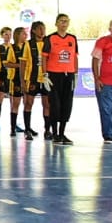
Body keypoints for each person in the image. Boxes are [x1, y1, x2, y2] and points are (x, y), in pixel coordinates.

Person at [42, 13, 78, 145]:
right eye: (62, 21)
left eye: (66, 21)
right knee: (55, 105)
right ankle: (55, 133)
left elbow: (74, 56)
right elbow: (44, 57)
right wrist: (45, 74)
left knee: (66, 104)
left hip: (68, 74)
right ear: (56, 23)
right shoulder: (50, 38)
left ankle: (62, 133)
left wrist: (75, 73)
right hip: (53, 75)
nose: (64, 24)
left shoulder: (72, 38)